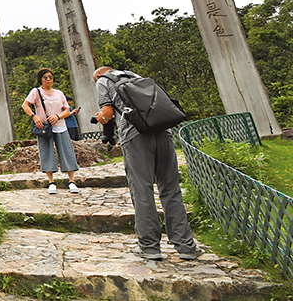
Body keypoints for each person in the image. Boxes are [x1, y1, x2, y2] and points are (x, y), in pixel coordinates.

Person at [93, 66, 202, 260]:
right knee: (171, 189)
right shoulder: (136, 76)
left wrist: (101, 118)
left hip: (135, 137)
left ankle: (149, 246)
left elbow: (107, 113)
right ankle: (186, 247)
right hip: (163, 131)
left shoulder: (103, 80)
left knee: (142, 189)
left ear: (99, 75)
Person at [21, 68, 79, 194]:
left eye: (50, 77)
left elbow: (67, 110)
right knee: (46, 152)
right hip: (44, 127)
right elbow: (25, 105)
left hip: (60, 126)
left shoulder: (59, 93)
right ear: (40, 79)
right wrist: (34, 116)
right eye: (45, 77)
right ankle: (51, 182)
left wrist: (57, 116)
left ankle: (72, 181)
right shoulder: (36, 92)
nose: (48, 79)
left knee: (67, 151)